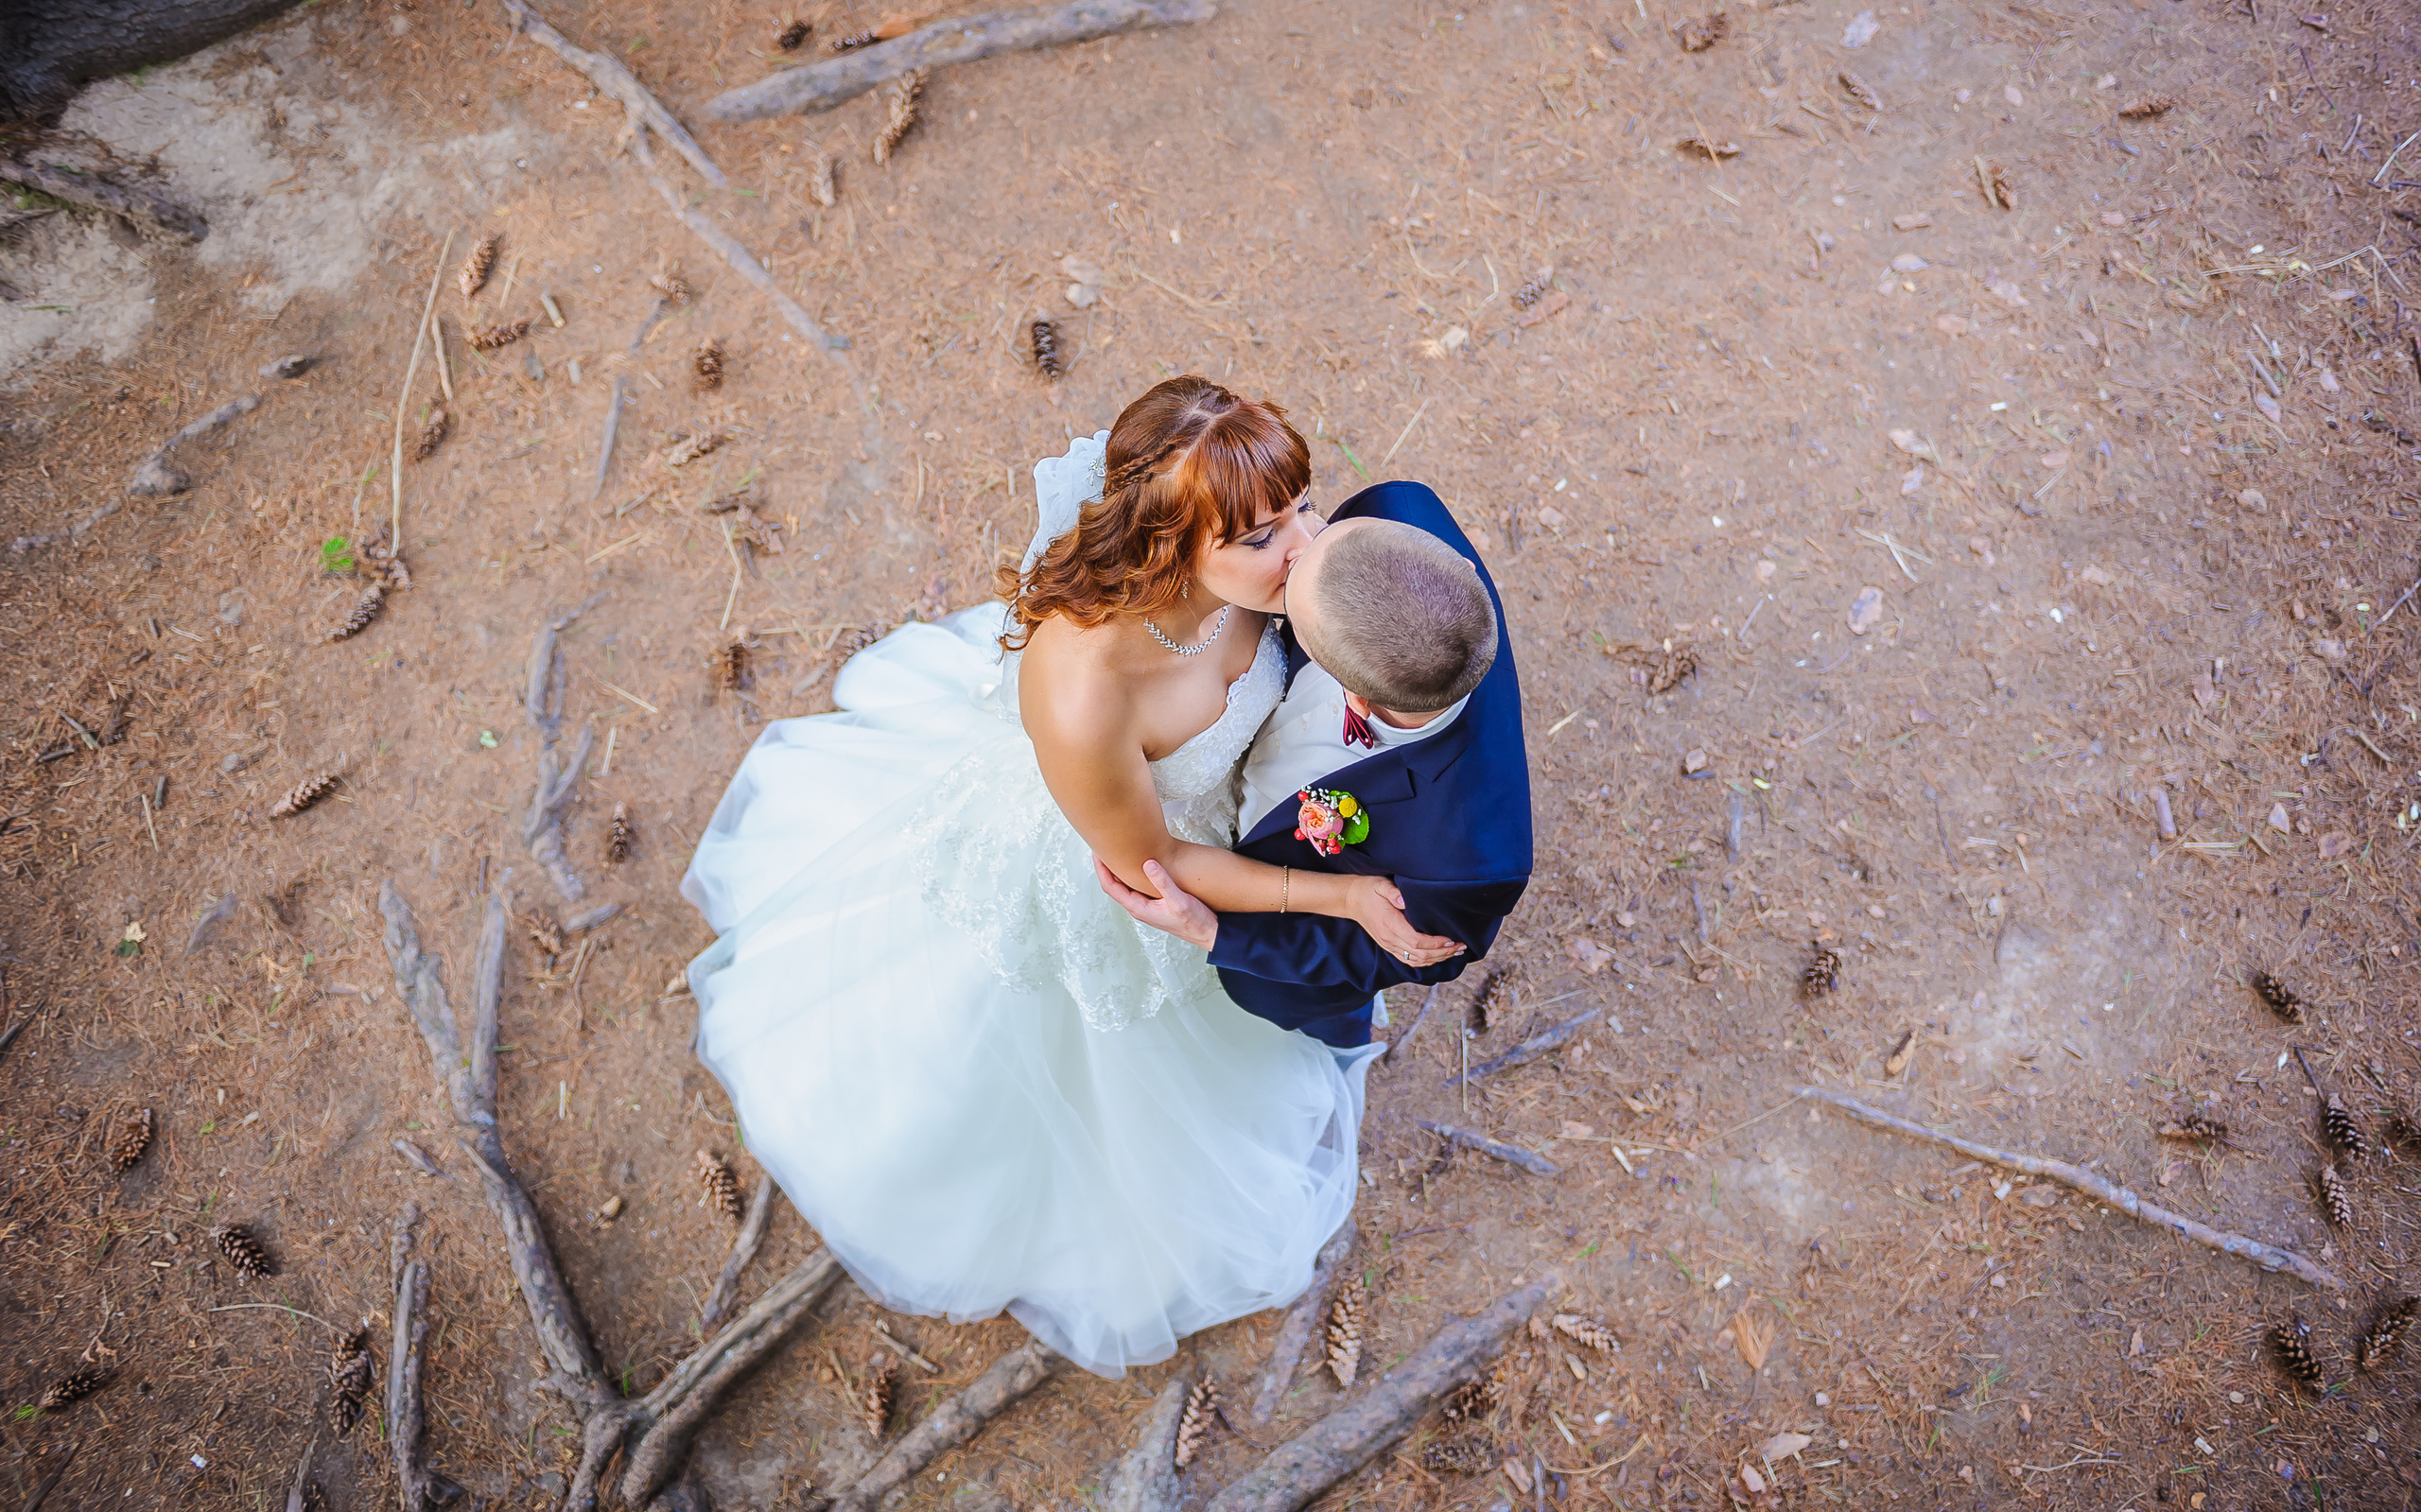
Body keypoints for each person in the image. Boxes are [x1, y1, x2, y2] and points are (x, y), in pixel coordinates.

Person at [679, 378, 1451, 1378]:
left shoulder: (1277, 579)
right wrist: (1336, 894)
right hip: (1126, 866)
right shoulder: (1088, 692)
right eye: (1261, 536)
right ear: (1172, 549)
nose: (1306, 545)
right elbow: (1158, 863)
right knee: (1070, 1059)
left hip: (1214, 820)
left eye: (1301, 508)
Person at [1099, 480, 1532, 1050]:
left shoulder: (1474, 859)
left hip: (1281, 947)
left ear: (1351, 694)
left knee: (1321, 1025)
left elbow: (1413, 953)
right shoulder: (1399, 512)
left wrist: (1215, 931)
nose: (1297, 547)